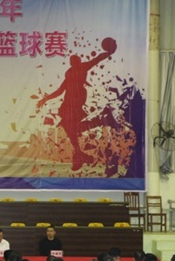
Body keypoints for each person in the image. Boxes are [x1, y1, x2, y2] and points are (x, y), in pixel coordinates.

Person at [36, 38, 117, 171]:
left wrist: (108, 53)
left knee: (72, 128)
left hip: (75, 103)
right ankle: (81, 152)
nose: (73, 62)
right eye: (72, 61)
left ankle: (100, 124)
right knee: (71, 129)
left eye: (75, 60)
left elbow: (96, 59)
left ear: (78, 62)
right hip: (68, 104)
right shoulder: (69, 73)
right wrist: (45, 99)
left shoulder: (82, 67)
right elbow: (60, 90)